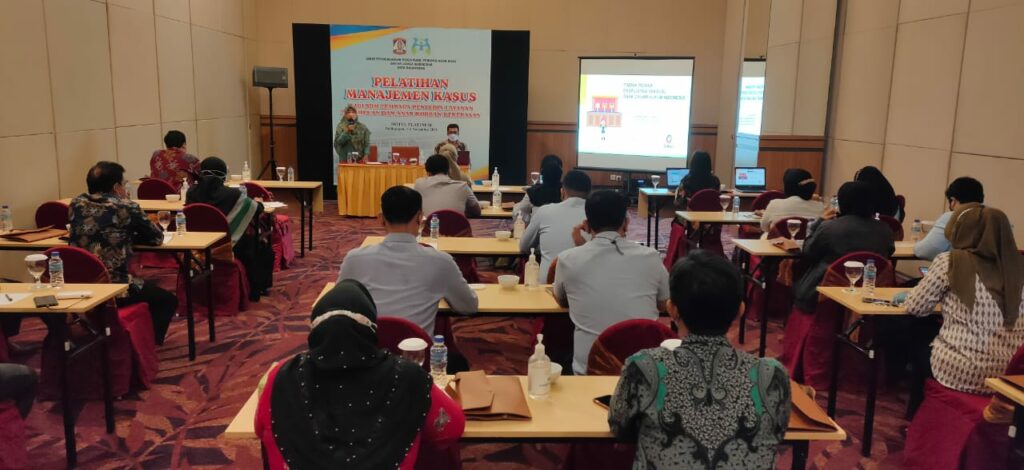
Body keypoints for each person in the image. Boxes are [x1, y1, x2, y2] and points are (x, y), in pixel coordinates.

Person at [254, 280, 465, 470]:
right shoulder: (408, 378)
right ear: (371, 331)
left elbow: (260, 428)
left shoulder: (281, 377)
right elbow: (451, 427)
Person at [608, 250, 791, 468]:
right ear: (740, 310)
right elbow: (778, 433)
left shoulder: (644, 367)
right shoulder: (771, 375)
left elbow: (619, 427)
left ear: (672, 309)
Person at [902, 204, 1024, 394]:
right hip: (1011, 374)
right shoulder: (1018, 266)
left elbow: (916, 307)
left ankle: (918, 406)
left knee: (916, 338)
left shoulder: (949, 261)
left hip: (962, 370)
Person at [553, 190, 669, 374]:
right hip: (645, 372)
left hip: (591, 370)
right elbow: (663, 304)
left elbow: (561, 300)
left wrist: (581, 247)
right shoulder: (651, 257)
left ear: (587, 225)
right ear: (626, 223)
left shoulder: (567, 259)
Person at [339, 186, 478, 334]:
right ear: (420, 218)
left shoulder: (354, 259)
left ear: (381, 219)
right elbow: (468, 306)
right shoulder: (441, 261)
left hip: (367, 345)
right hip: (417, 346)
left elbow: (339, 305)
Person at [69, 161, 177, 343]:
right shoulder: (126, 207)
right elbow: (156, 238)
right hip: (115, 286)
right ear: (116, 187)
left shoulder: (76, 203)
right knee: (167, 300)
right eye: (124, 184)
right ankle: (146, 344)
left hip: (79, 283)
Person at [792, 181, 895, 312]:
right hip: (871, 292)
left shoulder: (829, 227)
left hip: (822, 293)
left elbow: (808, 251)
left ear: (842, 202)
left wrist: (817, 223)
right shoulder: (885, 230)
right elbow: (889, 253)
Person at [186, 157, 274, 298]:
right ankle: (257, 289)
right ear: (223, 175)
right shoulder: (232, 194)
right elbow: (256, 210)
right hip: (227, 246)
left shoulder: (191, 193)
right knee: (261, 249)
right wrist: (258, 202)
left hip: (197, 245)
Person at [519, 171, 592, 283]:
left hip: (548, 286)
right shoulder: (597, 216)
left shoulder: (544, 211)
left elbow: (524, 246)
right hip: (586, 285)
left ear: (562, 191)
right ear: (589, 193)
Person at [914, 177, 984, 261]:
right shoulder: (993, 218)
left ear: (953, 201)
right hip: (988, 269)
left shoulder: (953, 217)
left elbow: (925, 251)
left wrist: (916, 244)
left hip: (958, 268)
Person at [413, 155, 481, 218]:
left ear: (428, 173)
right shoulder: (463, 186)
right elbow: (477, 212)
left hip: (429, 226)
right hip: (456, 226)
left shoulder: (419, 184)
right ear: (449, 170)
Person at [759, 168, 824, 232]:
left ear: (787, 187)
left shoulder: (774, 204)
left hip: (778, 239)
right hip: (809, 239)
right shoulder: (820, 207)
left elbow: (764, 227)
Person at [513, 160, 564, 225]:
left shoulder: (533, 191)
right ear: (560, 175)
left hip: (537, 228)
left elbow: (518, 213)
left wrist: (530, 220)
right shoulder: (565, 191)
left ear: (542, 175)